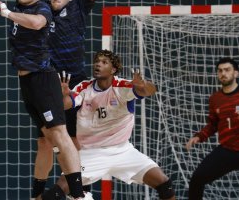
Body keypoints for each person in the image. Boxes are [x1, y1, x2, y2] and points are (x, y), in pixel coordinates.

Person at [6, 0, 107, 198]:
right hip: (47, 76)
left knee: (70, 139)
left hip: (73, 81)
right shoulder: (41, 9)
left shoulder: (77, 7)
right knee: (44, 141)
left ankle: (78, 191)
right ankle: (40, 193)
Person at [42, 49, 176, 200]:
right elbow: (65, 105)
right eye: (97, 61)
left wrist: (143, 85)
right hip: (90, 153)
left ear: (113, 69)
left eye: (104, 62)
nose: (98, 64)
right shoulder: (84, 88)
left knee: (164, 183)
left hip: (123, 151)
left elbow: (149, 91)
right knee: (58, 191)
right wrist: (64, 95)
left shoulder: (122, 87)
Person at [185, 57, 239, 199]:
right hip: (227, 150)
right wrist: (199, 136)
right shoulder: (215, 99)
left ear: (236, 73)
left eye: (227, 70)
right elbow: (213, 124)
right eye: (220, 70)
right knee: (197, 179)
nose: (223, 73)